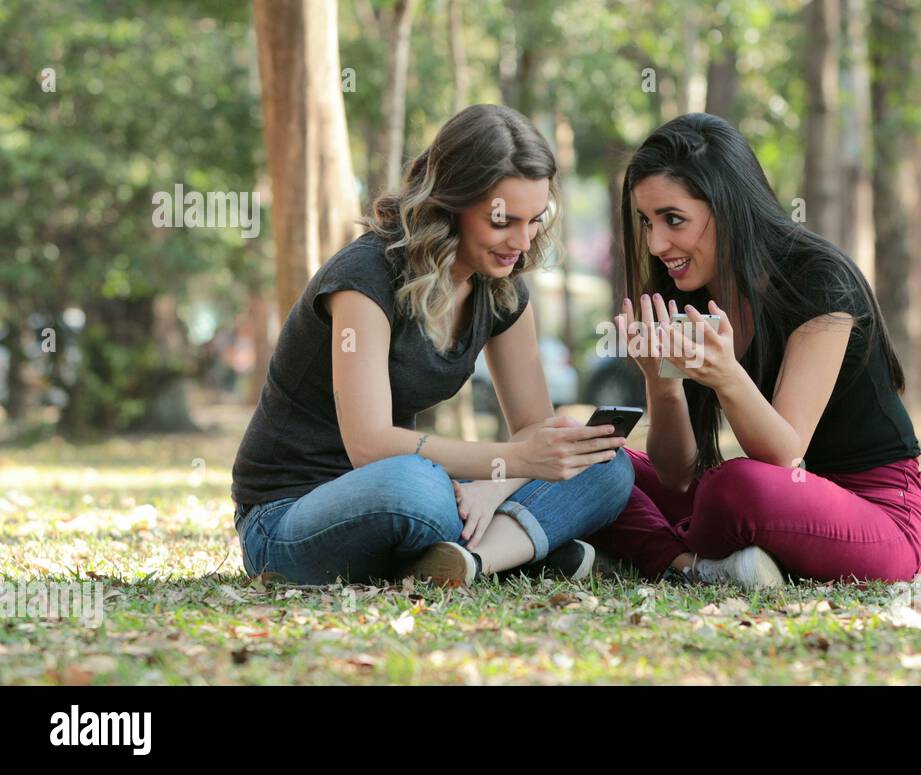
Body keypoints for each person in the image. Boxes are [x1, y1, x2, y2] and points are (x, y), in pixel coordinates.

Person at [231, 104, 633, 587]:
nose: (522, 242)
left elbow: (532, 428)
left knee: (605, 466)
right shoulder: (364, 277)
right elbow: (369, 445)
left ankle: (471, 560)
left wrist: (492, 488)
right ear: (450, 203)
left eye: (534, 220)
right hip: (289, 516)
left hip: (411, 499)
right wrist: (515, 462)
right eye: (503, 221)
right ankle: (518, 550)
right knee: (419, 487)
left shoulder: (501, 287)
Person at [588, 113, 921, 590]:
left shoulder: (818, 279)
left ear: (729, 207)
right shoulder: (689, 293)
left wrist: (726, 375)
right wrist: (661, 383)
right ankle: (690, 563)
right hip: (772, 506)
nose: (656, 243)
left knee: (733, 487)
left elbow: (784, 457)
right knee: (589, 457)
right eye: (647, 222)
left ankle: (651, 547)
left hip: (876, 514)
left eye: (673, 220)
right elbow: (675, 476)